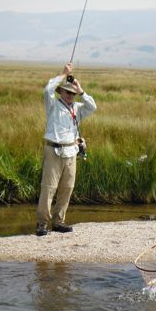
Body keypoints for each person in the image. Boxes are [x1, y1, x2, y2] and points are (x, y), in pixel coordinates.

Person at [36, 63, 97, 236]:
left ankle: (58, 222)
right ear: (61, 91)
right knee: (48, 188)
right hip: (53, 151)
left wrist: (82, 90)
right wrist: (63, 74)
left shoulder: (77, 109)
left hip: (71, 152)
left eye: (73, 93)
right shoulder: (53, 105)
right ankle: (42, 223)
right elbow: (48, 89)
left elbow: (92, 107)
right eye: (68, 92)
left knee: (67, 188)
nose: (70, 95)